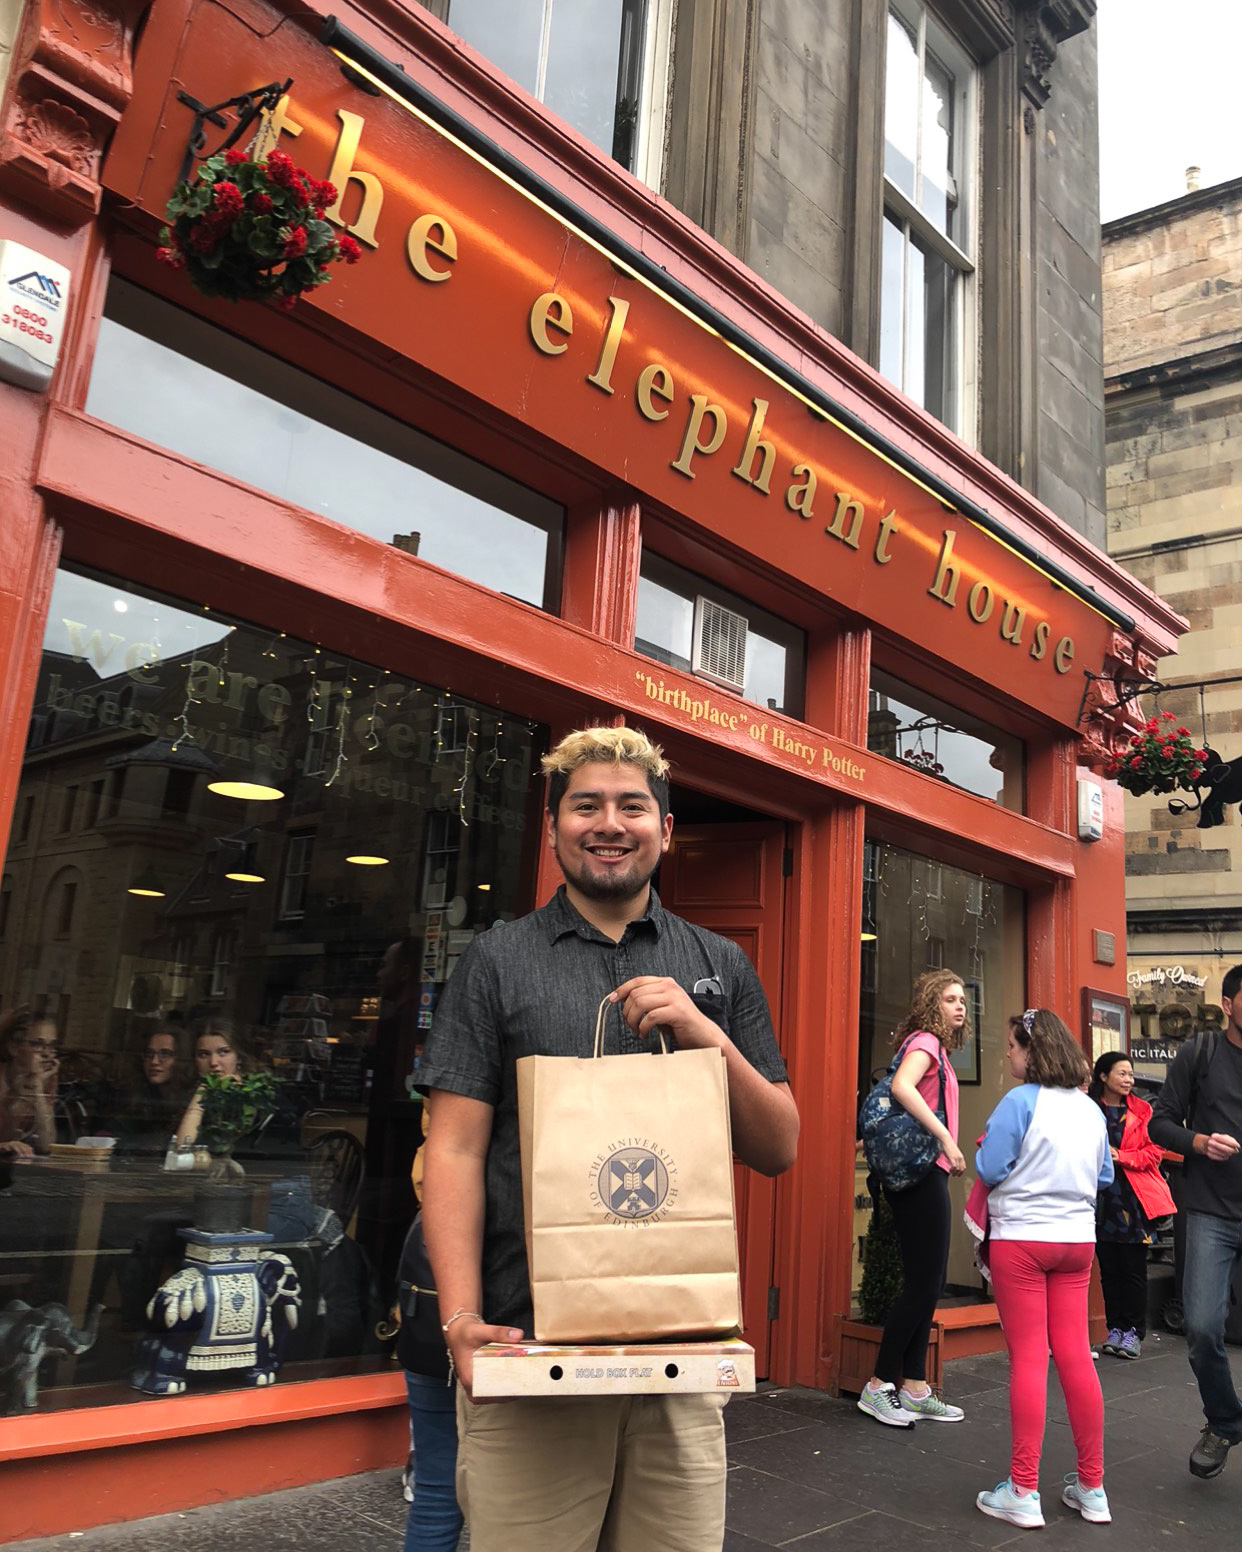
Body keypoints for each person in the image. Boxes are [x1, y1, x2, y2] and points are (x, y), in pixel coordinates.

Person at [420, 725, 798, 1552]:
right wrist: (461, 1321)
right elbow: (452, 1151)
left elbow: (779, 1145)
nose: (609, 823)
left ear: (665, 829)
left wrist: (705, 1032)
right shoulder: (497, 961)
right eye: (585, 805)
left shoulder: (720, 964)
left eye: (633, 806)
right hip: (529, 1346)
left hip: (681, 1359)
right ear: (553, 828)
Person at [974, 1010, 1112, 1529]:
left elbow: (990, 1169)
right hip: (1077, 1242)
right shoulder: (1092, 1111)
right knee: (1077, 1356)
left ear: (1033, 1051)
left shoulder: (1018, 1102)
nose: (1008, 1054)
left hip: (1023, 1241)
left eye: (1012, 1046)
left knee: (1030, 1359)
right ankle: (1092, 1487)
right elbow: (1103, 1175)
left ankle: (1023, 1489)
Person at [858, 969, 968, 1429]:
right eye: (949, 999)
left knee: (928, 1280)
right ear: (931, 1005)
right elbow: (903, 1086)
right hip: (921, 1171)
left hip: (924, 1172)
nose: (960, 1006)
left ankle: (917, 1387)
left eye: (963, 999)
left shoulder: (934, 1047)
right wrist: (945, 1137)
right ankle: (879, 1385)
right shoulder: (925, 1043)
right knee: (924, 1283)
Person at [1149, 963, 1242, 1480]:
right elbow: (1161, 1121)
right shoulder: (1200, 1053)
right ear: (1227, 1005)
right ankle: (1225, 1421)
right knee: (1203, 1328)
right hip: (1210, 1210)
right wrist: (1200, 1143)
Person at [1089, 1050, 1175, 1361]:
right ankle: (1115, 1329)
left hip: (1133, 1198)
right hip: (1099, 1199)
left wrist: (1121, 1157)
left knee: (1133, 1268)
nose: (1129, 1079)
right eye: (1122, 1073)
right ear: (1103, 1076)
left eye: (1130, 1074)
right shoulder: (1088, 1109)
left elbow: (1155, 1153)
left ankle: (1133, 1332)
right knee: (1109, 1269)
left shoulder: (1142, 1110)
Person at [173, 1018, 257, 1147]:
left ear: (239, 1057)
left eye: (223, 1052)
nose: (213, 1062)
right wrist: (202, 1093)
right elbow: (182, 1148)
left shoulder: (258, 1092)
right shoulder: (187, 1094)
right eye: (204, 1054)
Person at [111, 1028, 193, 1154]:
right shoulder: (133, 1094)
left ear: (181, 1059)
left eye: (165, 1054)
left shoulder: (191, 1100)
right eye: (149, 1054)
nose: (154, 1062)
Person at [0, 1010, 59, 1154]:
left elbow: (47, 1145)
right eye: (37, 1044)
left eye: (51, 1046)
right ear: (14, 1048)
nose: (46, 1053)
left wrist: (38, 1088)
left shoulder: (43, 1079)